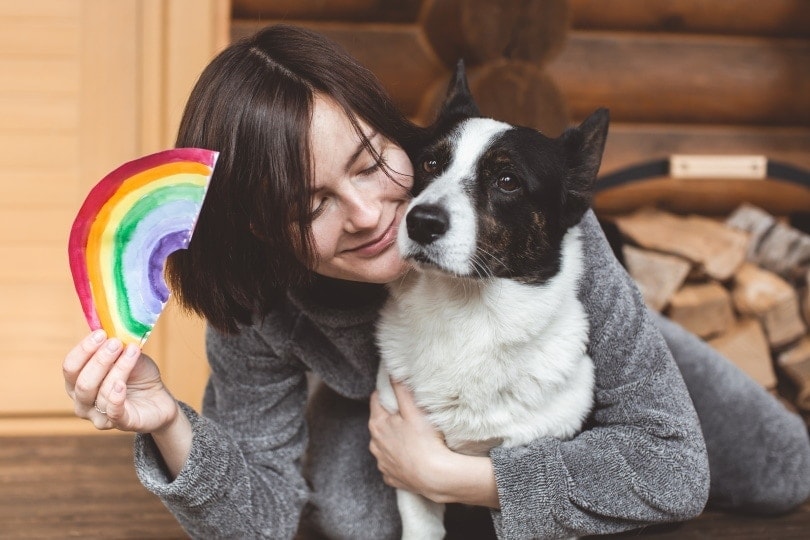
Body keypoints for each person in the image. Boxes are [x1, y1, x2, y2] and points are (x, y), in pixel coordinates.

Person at [62, 24, 810, 539]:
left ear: (396, 129)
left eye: (367, 164)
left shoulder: (539, 226)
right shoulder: (266, 304)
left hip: (548, 355)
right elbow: (257, 519)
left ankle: (637, 346)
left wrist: (463, 478)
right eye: (311, 203)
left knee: (781, 469)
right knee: (358, 517)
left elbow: (675, 474)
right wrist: (167, 419)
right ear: (263, 227)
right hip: (392, 394)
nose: (367, 215)